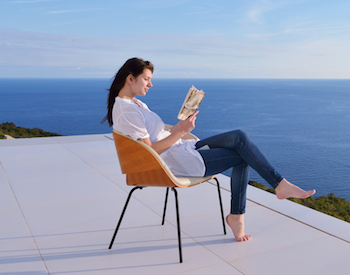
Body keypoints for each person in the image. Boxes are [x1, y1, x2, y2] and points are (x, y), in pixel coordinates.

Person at [103, 57, 316, 242]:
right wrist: (179, 132)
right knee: (242, 156)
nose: (150, 84)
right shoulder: (127, 110)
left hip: (181, 148)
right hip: (173, 163)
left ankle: (277, 187)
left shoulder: (135, 104)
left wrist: (179, 129)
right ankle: (245, 210)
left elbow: (154, 136)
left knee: (239, 136)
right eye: (146, 79)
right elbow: (148, 152)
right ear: (130, 78)